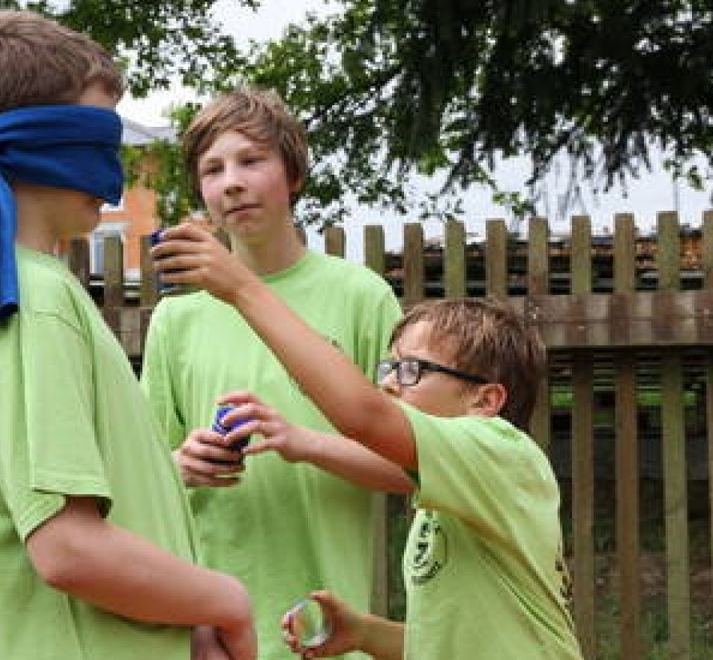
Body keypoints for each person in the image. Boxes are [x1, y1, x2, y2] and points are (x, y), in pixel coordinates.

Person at [0, 11, 254, 660]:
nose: (113, 168)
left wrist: (182, 616)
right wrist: (223, 599)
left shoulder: (6, 283)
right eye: (97, 137)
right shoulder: (24, 298)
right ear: (31, 140)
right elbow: (67, 548)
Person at [151, 229, 582, 659]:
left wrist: (243, 288)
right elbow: (450, 643)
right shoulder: (449, 499)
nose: (390, 384)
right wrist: (364, 633)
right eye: (389, 368)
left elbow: (364, 417)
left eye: (412, 370)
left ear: (484, 400)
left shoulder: (501, 451)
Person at [141, 87, 409, 660]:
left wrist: (304, 443)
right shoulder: (174, 320)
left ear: (295, 176)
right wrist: (179, 465)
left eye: (251, 160)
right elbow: (142, 483)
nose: (232, 182)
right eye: (213, 170)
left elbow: (413, 468)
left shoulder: (363, 297)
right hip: (211, 636)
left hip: (329, 631)